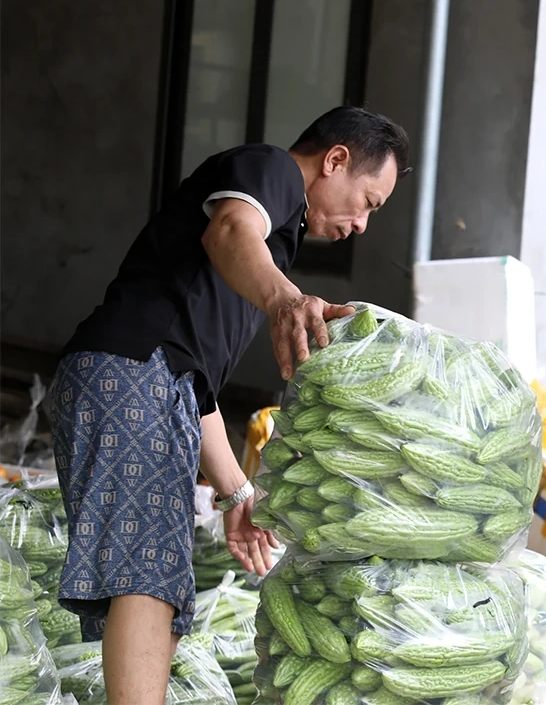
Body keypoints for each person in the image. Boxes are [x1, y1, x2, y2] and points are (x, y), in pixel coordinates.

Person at [47, 106, 409, 704]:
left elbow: (195, 388)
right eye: (368, 202)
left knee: (159, 577)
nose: (363, 225)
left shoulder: (270, 250)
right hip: (131, 372)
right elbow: (230, 230)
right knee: (146, 578)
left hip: (151, 382)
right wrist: (287, 301)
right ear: (335, 160)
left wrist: (239, 493)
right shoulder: (267, 171)